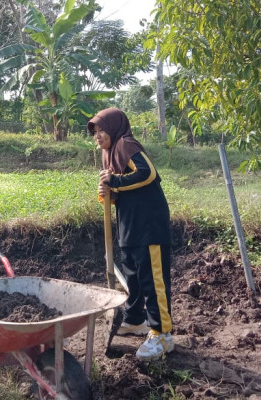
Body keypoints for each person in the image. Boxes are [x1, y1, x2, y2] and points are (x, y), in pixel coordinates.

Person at [88, 107, 174, 361]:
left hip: (149, 225)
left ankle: (162, 334)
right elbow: (124, 189)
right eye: (95, 132)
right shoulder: (109, 155)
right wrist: (109, 194)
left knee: (152, 280)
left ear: (114, 128)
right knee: (133, 277)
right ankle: (135, 319)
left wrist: (114, 181)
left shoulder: (126, 144)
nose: (98, 136)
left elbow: (148, 174)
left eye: (102, 130)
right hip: (129, 225)